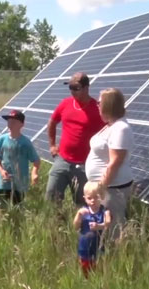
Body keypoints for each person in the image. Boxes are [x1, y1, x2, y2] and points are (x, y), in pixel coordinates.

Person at [45, 72, 106, 206]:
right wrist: (52, 145)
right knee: (51, 196)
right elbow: (52, 123)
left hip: (84, 165)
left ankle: (79, 225)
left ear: (86, 88)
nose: (72, 91)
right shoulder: (65, 103)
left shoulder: (97, 108)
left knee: (83, 201)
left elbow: (108, 133)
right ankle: (56, 225)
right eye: (70, 87)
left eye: (76, 88)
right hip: (62, 160)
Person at [85, 88, 134, 241]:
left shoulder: (121, 129)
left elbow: (115, 163)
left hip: (112, 189)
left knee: (112, 229)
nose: (97, 105)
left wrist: (100, 187)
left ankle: (113, 257)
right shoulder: (112, 126)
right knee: (102, 226)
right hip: (105, 188)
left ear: (109, 104)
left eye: (99, 102)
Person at [0, 110, 41, 209]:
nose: (10, 123)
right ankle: (2, 224)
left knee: (18, 207)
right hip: (3, 182)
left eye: (14, 121)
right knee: (1, 208)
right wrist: (1, 171)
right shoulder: (2, 140)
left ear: (21, 124)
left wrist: (34, 173)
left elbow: (36, 160)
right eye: (9, 121)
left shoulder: (25, 143)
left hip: (20, 183)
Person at [73, 181, 111, 278]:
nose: (92, 201)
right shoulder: (83, 211)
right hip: (84, 245)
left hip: (99, 245)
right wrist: (78, 215)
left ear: (101, 197)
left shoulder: (104, 211)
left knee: (99, 266)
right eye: (89, 198)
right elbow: (75, 226)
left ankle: (99, 281)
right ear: (85, 198)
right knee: (85, 266)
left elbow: (108, 223)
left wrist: (99, 226)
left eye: (96, 197)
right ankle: (86, 281)